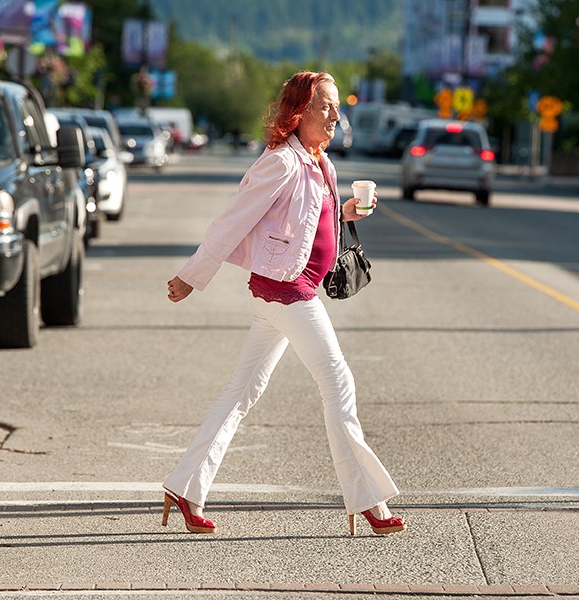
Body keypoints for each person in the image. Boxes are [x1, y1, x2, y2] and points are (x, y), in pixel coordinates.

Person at [160, 71, 405, 537]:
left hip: (288, 292)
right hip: (287, 291)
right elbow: (232, 221)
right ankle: (369, 501)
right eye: (325, 107)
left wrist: (349, 212)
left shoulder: (319, 163)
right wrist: (190, 277)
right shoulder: (281, 163)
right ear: (299, 113)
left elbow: (311, 217)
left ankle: (185, 488)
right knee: (338, 384)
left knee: (241, 392)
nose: (336, 116)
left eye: (337, 108)